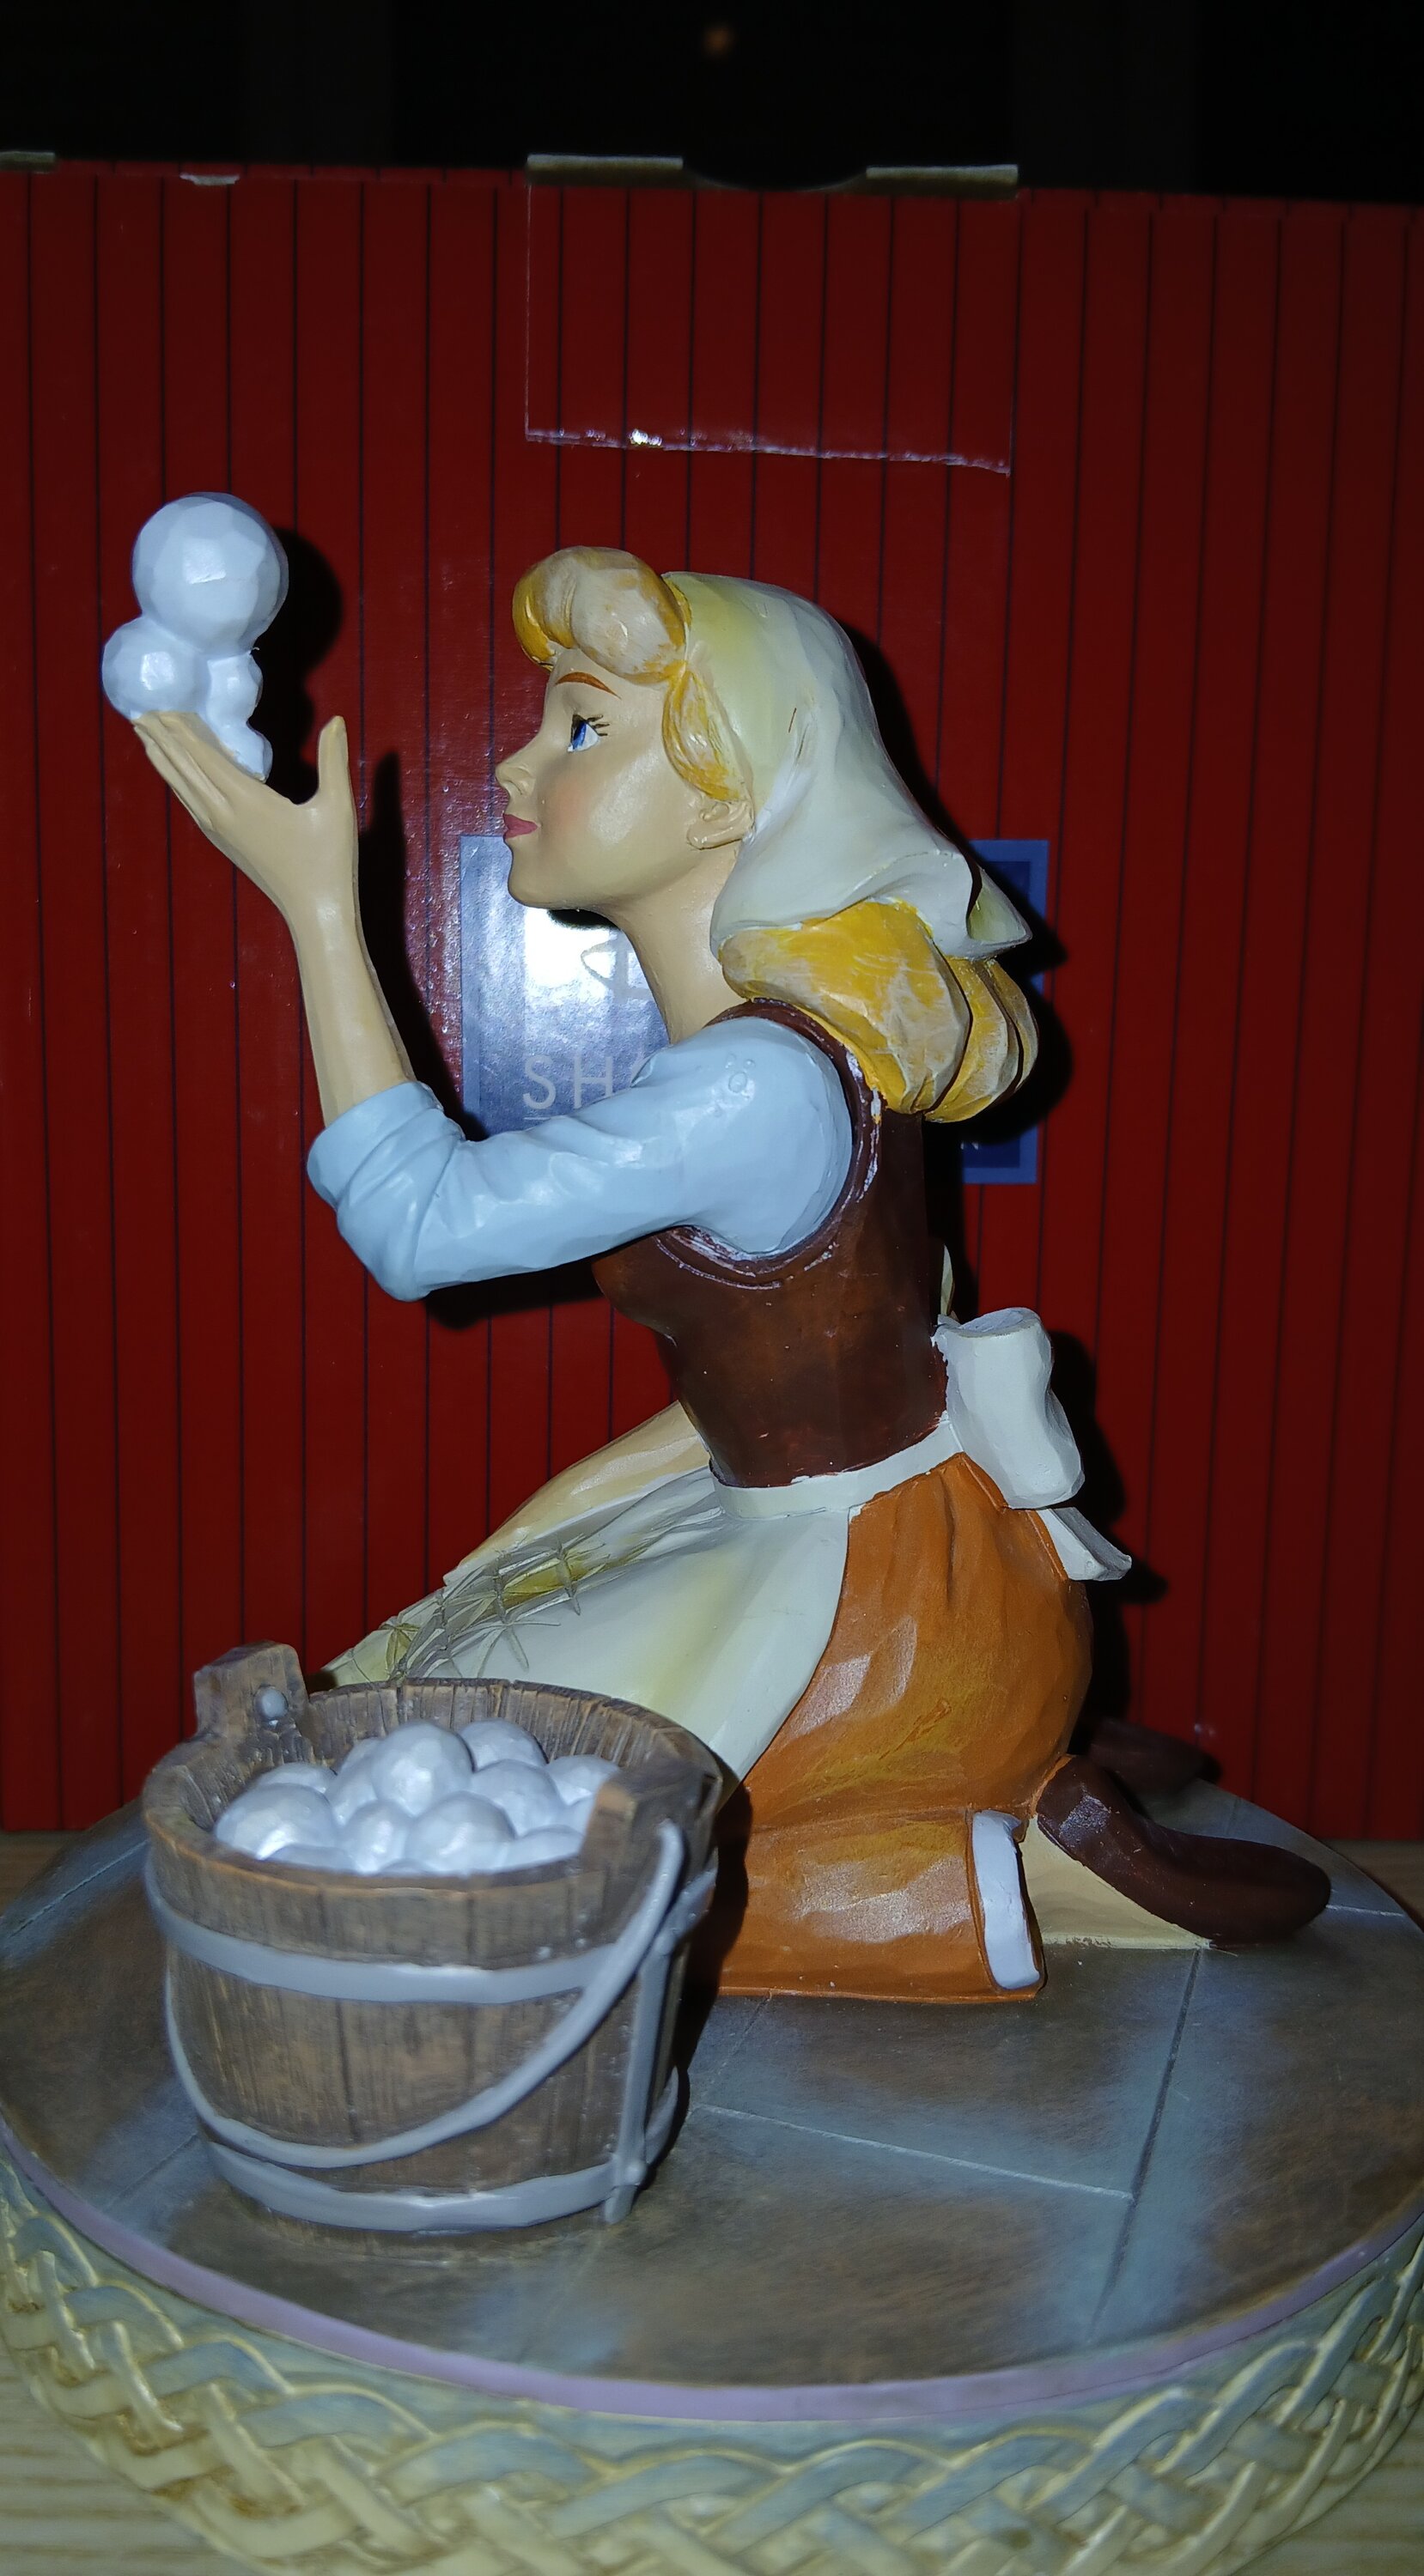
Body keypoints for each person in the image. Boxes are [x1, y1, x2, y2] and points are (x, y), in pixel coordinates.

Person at [136, 546, 1327, 1998]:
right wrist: (556, 1530)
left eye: (582, 725)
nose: (516, 762)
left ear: (724, 795)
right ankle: (990, 1782)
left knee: (472, 1844)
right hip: (870, 1538)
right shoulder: (792, 1051)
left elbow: (418, 1229)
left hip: (873, 1611)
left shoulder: (754, 1086)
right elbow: (855, 1346)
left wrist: (321, 908)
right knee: (416, 1713)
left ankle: (967, 1873)